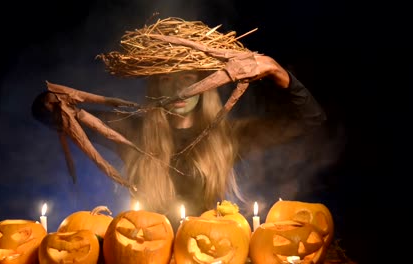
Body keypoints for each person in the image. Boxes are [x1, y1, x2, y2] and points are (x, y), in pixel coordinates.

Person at [32, 17, 326, 231]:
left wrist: (275, 70)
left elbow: (310, 120)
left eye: (187, 80)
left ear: (206, 86)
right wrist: (53, 100)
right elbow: (44, 112)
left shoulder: (229, 136)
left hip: (210, 248)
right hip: (144, 246)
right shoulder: (132, 132)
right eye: (166, 81)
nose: (177, 91)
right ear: (154, 88)